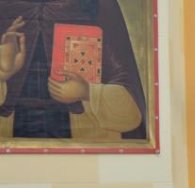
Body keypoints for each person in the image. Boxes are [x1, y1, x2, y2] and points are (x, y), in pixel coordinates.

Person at [0, 1, 147, 142]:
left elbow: (131, 100)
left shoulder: (97, 4)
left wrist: (88, 92)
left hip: (83, 133)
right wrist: (4, 74)